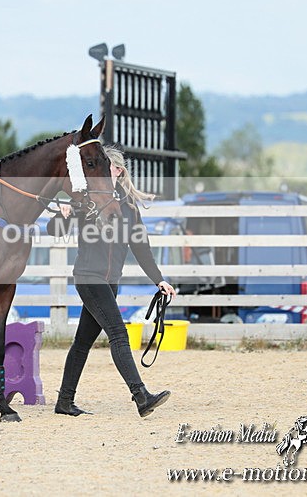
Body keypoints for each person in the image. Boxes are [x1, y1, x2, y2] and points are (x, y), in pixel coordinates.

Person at [48, 146, 177, 418]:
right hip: (89, 278)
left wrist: (159, 280)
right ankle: (140, 395)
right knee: (118, 334)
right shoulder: (88, 200)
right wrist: (62, 214)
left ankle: (64, 402)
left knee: (82, 343)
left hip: (110, 283)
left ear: (117, 170)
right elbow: (54, 231)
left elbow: (141, 247)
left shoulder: (129, 208)